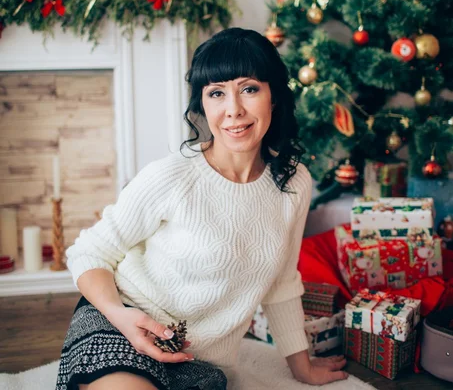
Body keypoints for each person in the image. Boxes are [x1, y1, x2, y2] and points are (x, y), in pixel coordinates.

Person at [56, 27, 348, 389]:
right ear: (203, 104)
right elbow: (89, 252)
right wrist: (121, 315)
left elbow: (282, 284)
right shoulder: (173, 175)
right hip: (121, 328)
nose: (233, 110)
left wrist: (302, 367)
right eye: (216, 93)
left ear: (273, 96)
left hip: (198, 361)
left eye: (249, 89)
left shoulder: (293, 183)